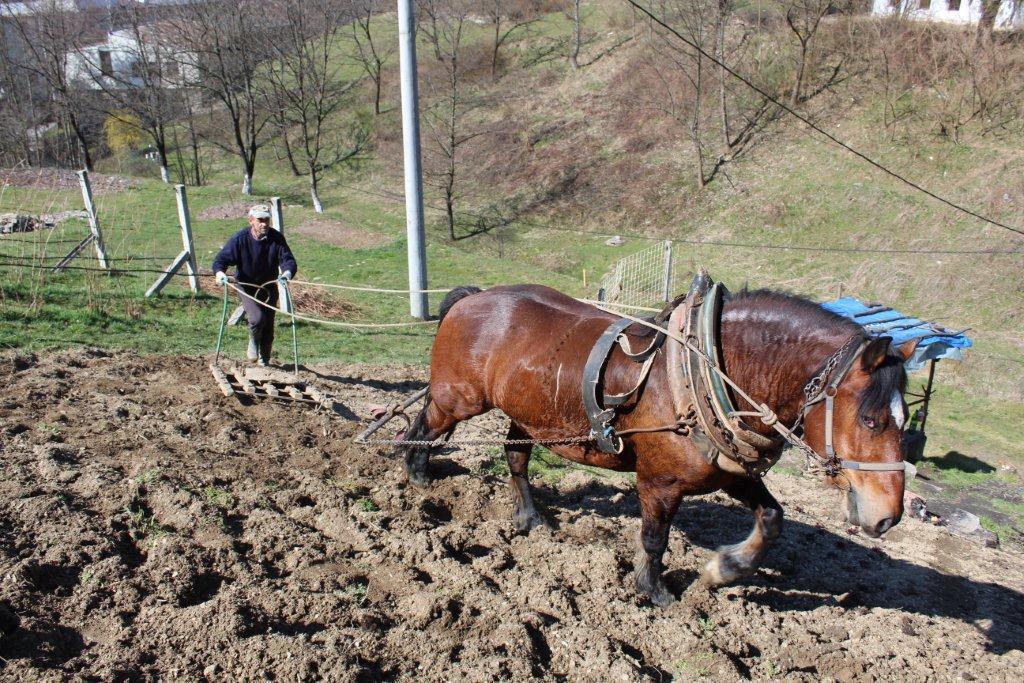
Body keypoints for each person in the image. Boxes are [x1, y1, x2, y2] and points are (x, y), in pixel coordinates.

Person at [213, 205, 298, 366]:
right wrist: (220, 273)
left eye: (266, 220)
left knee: (268, 324)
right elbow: (221, 260)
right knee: (257, 318)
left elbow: (288, 261)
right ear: (251, 221)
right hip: (246, 286)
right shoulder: (240, 239)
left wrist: (286, 274)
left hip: (269, 285)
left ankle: (264, 359)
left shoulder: (276, 238)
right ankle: (253, 341)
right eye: (260, 220)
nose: (264, 224)